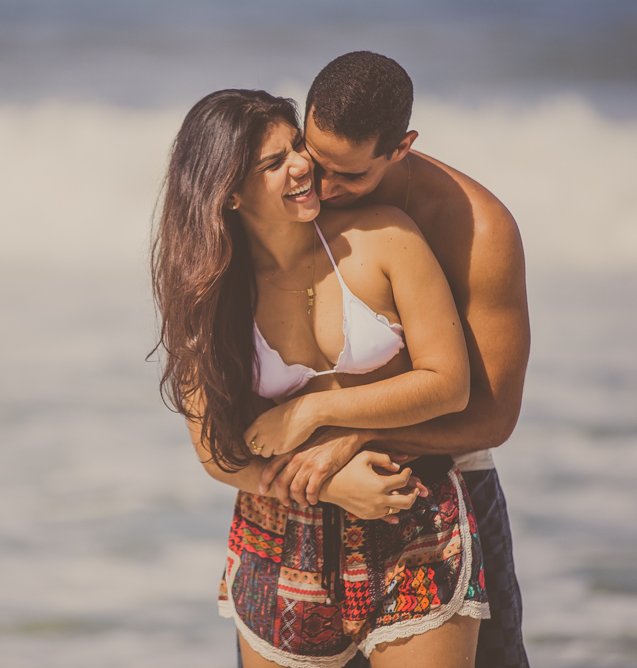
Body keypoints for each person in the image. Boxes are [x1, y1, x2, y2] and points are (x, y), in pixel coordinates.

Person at [152, 88, 490, 668]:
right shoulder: (206, 293)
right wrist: (326, 484)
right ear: (229, 193)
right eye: (273, 162)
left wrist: (314, 412)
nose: (302, 165)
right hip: (280, 535)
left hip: (410, 515)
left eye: (296, 147)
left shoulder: (385, 237)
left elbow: (448, 383)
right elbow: (217, 455)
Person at [256, 52, 531, 668]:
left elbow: (493, 419)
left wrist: (354, 432)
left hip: (442, 486)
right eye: (313, 159)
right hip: (310, 491)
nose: (321, 189)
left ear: (400, 148)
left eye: (347, 176)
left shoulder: (476, 230)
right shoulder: (296, 194)